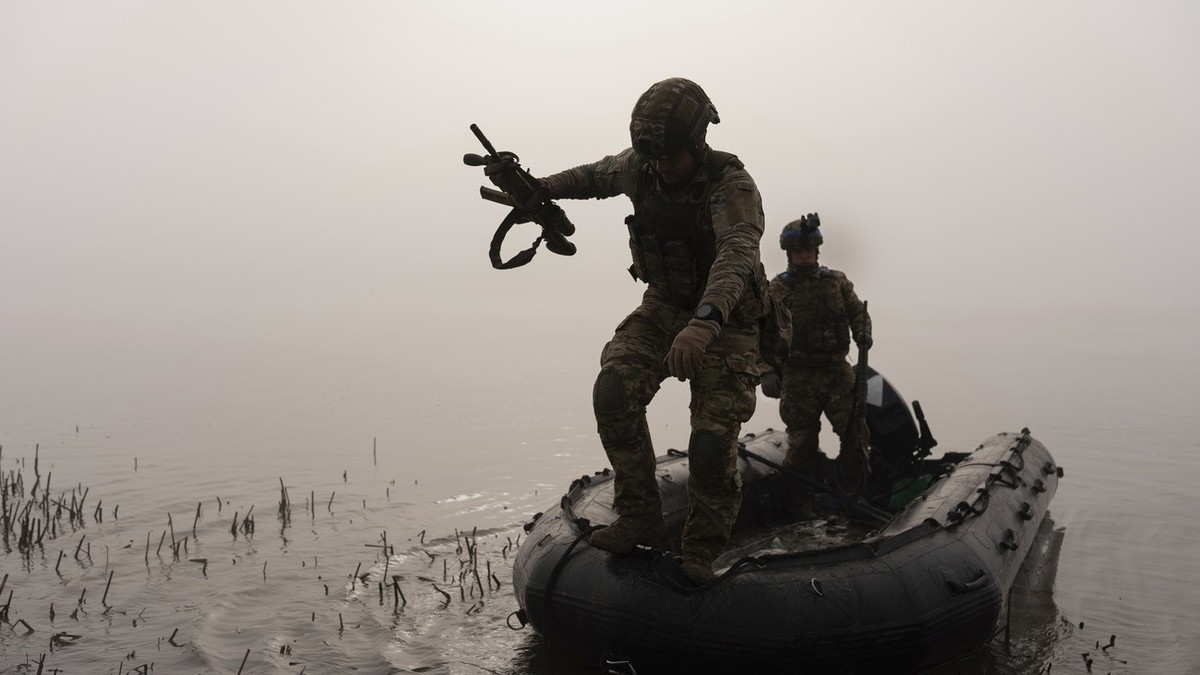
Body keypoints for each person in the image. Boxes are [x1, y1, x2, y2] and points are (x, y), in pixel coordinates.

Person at [531, 78, 775, 585]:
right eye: (655, 159)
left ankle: (701, 550)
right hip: (665, 305)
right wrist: (539, 188)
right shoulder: (641, 166)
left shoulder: (732, 187)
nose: (662, 168)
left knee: (710, 443)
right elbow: (592, 176)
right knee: (614, 389)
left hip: (727, 323)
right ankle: (639, 514)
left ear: (699, 143)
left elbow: (735, 254)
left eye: (672, 158)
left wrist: (704, 323)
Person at [762, 213, 872, 503]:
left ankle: (855, 495)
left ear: (817, 251)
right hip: (798, 377)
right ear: (789, 254)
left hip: (837, 371)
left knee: (855, 435)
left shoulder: (836, 282)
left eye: (808, 250)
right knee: (802, 442)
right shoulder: (778, 290)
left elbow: (857, 312)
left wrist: (863, 333)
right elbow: (761, 332)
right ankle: (795, 503)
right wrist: (765, 371)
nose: (803, 257)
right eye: (798, 251)